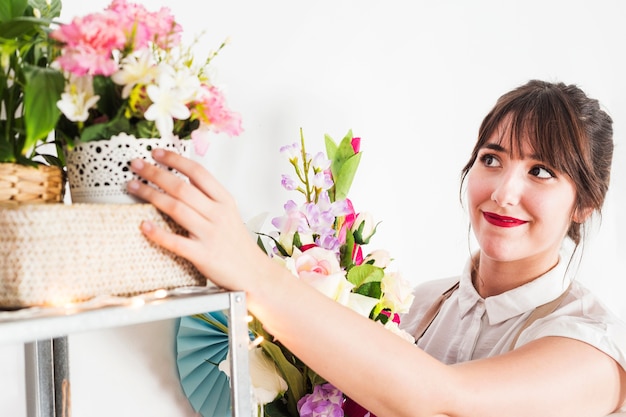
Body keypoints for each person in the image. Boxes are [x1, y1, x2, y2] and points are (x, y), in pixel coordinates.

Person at [126, 80, 626, 417]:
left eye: (541, 171)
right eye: (491, 159)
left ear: (585, 202)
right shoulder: (422, 303)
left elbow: (442, 403)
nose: (503, 191)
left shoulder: (591, 353)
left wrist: (251, 270)